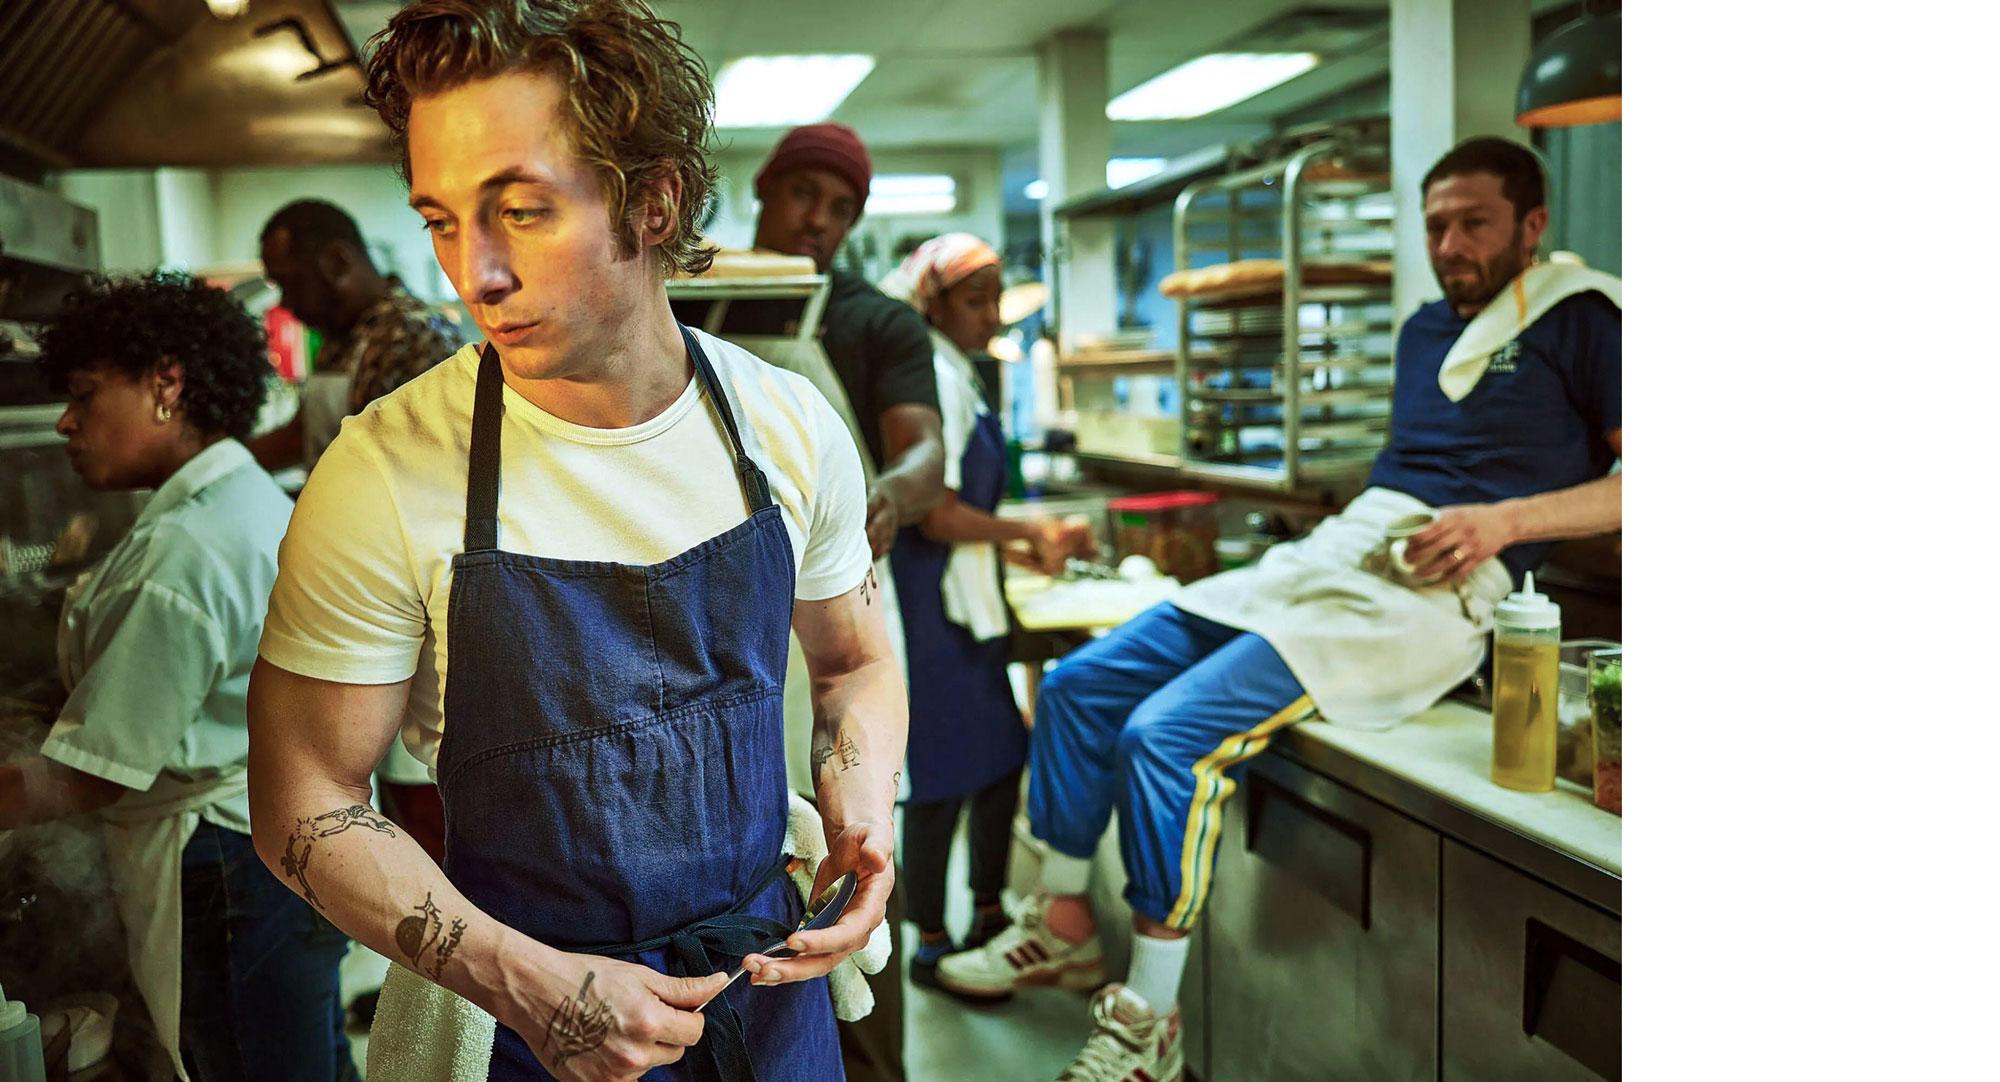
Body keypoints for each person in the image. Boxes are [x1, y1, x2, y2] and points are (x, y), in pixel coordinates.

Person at [245, 3, 905, 1080]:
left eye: (520, 211)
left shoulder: (786, 427)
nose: (475, 273)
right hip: (520, 1020)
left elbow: (853, 663)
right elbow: (301, 798)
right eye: (441, 220)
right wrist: (524, 982)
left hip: (770, 992)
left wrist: (862, 813)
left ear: (654, 201)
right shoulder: (384, 472)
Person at [937, 136, 1622, 1082]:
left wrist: (1506, 521)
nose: (1450, 245)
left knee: (1164, 737)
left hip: (1437, 590)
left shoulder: (1586, 319)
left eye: (1475, 224)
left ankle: (1150, 1023)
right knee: (1079, 686)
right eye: (1436, 226)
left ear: (1532, 225)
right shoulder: (1426, 330)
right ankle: (1063, 927)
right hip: (1342, 551)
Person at [0, 271, 354, 1082]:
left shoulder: (185, 550)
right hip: (278, 842)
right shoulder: (238, 498)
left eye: (84, 395)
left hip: (229, 873)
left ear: (167, 384)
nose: (65, 421)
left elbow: (89, 776)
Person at [747, 121, 951, 1082]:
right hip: (722, 619)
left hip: (837, 608)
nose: (817, 222)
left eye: (840, 210)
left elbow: (924, 451)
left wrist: (890, 495)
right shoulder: (692, 300)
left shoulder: (876, 323)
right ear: (764, 189)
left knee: (852, 845)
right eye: (803, 196)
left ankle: (870, 1068)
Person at [875, 234, 1092, 993]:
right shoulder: (932, 372)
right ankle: (932, 941)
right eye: (976, 300)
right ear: (932, 304)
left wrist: (1015, 551)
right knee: (943, 772)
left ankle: (988, 914)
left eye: (997, 298)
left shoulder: (959, 370)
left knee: (999, 758)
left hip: (959, 598)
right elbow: (936, 513)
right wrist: (1026, 533)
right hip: (929, 603)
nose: (992, 315)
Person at [251, 198, 465, 474]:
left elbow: (423, 468)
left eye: (291, 283)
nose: (286, 302)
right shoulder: (341, 335)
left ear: (337, 262)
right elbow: (302, 435)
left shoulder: (416, 335)